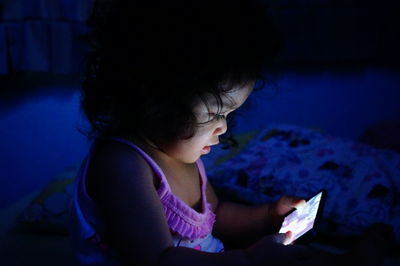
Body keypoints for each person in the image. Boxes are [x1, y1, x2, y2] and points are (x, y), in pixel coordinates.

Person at [69, 0, 394, 265]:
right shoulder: (122, 166)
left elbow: (218, 215)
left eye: (228, 114)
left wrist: (267, 215)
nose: (223, 127)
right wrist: (248, 260)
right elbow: (161, 260)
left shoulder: (181, 153)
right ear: (154, 101)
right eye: (215, 115)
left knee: (291, 255)